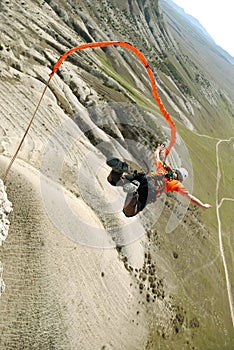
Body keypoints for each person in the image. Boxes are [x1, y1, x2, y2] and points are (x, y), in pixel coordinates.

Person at [106, 144, 212, 217]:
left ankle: (118, 171)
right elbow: (189, 197)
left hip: (143, 178)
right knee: (128, 212)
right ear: (180, 179)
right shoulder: (176, 184)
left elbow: (156, 156)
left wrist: (158, 149)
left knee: (114, 181)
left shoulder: (163, 168)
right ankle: (132, 192)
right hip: (149, 190)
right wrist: (202, 205)